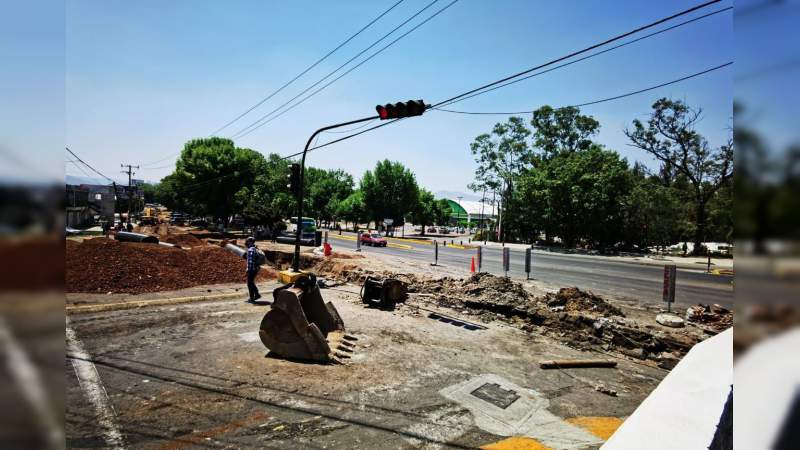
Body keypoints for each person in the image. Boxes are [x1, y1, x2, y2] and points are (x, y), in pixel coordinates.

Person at [244, 236, 261, 303]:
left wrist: (248, 270)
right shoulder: (255, 248)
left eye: (247, 241)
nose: (246, 242)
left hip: (252, 269)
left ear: (250, 242)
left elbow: (250, 261)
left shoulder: (251, 250)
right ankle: (256, 294)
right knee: (251, 282)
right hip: (255, 269)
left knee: (249, 283)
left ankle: (252, 298)